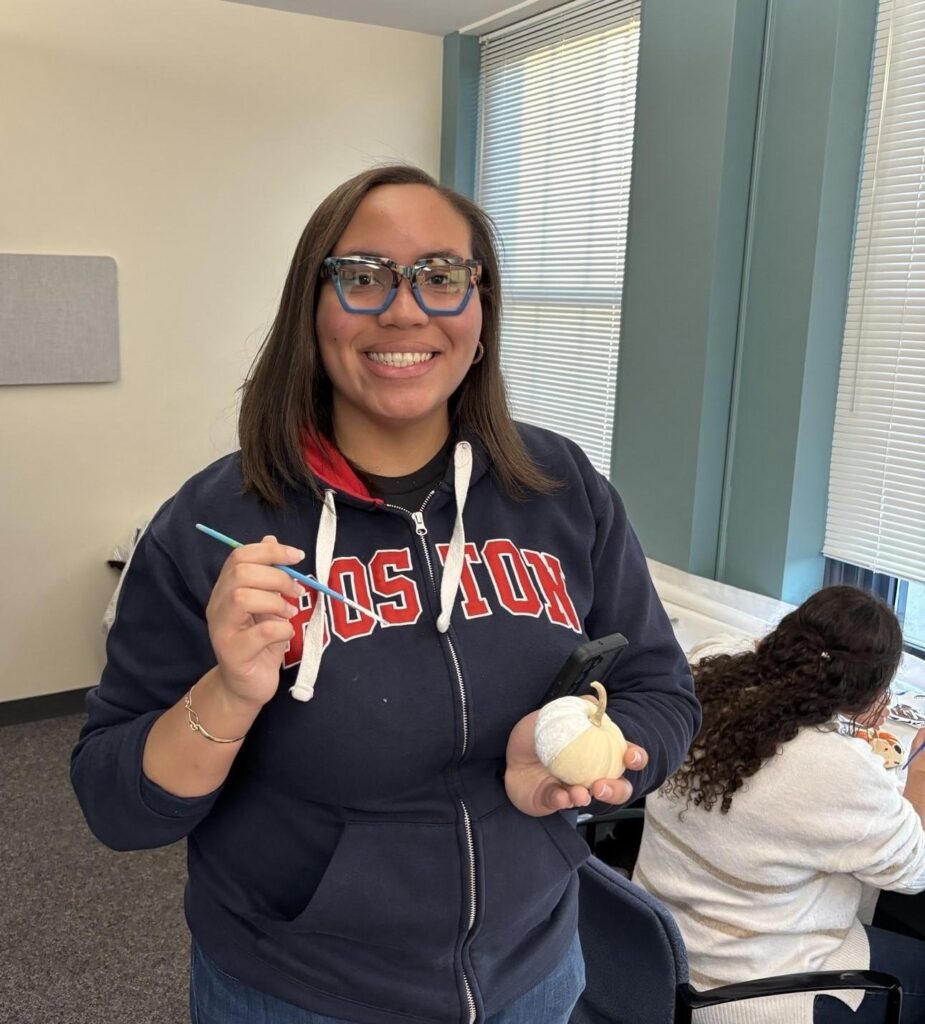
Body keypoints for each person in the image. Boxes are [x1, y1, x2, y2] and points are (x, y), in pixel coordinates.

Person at [71, 164, 700, 1024]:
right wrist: (228, 694)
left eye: (441, 275)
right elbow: (116, 806)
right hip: (301, 994)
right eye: (363, 276)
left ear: (480, 313)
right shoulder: (211, 524)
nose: (405, 311)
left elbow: (660, 688)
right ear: (313, 310)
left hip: (536, 971)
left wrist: (588, 762)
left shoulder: (561, 488)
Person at [633, 585, 925, 1024]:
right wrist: (919, 765)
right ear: (868, 694)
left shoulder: (704, 681)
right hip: (747, 993)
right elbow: (915, 870)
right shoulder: (836, 769)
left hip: (658, 953)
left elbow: (749, 651)